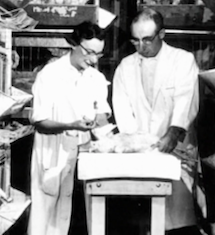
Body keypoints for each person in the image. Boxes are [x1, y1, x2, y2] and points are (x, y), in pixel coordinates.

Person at [112, 8, 201, 235]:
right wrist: (136, 143)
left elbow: (186, 100)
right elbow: (122, 109)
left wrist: (174, 132)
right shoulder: (125, 66)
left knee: (176, 219)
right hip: (141, 154)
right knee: (144, 218)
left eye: (147, 40)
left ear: (162, 34)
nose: (141, 47)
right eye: (136, 41)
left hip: (176, 150)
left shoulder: (182, 60)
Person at [28, 21, 111, 235]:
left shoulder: (96, 77)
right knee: (45, 218)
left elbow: (102, 113)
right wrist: (69, 125)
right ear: (73, 44)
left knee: (81, 214)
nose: (93, 60)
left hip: (84, 152)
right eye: (89, 52)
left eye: (98, 54)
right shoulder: (50, 74)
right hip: (53, 150)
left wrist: (98, 122)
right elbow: (40, 121)